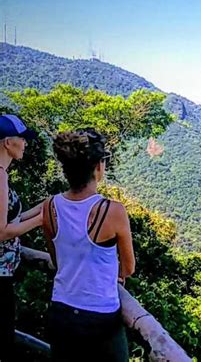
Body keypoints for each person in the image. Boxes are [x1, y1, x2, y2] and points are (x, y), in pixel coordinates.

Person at [42, 129, 135, 362]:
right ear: (98, 166)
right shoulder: (112, 211)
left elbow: (57, 259)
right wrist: (116, 275)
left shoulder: (50, 207)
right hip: (100, 317)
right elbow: (128, 267)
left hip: (61, 311)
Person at [0, 114, 43, 361]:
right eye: (22, 139)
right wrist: (40, 221)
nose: (26, 144)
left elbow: (10, 218)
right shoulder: (0, 175)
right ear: (8, 142)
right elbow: (2, 231)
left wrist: (42, 207)